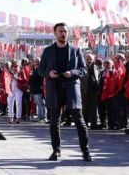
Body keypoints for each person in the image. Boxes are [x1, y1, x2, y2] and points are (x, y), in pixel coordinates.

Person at [38, 22, 91, 162]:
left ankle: (85, 151)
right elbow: (40, 69)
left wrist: (72, 72)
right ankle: (56, 151)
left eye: (66, 31)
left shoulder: (76, 50)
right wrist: (49, 73)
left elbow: (83, 69)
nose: (64, 34)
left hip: (71, 88)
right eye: (61, 31)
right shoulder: (48, 50)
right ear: (55, 33)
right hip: (54, 88)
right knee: (54, 122)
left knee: (79, 121)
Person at [83, 58, 103, 130]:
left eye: (90, 59)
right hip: (84, 90)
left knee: (94, 108)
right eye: (87, 59)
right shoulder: (82, 66)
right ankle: (84, 124)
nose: (89, 60)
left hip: (94, 90)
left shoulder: (97, 67)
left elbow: (99, 78)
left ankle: (93, 124)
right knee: (85, 108)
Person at [29, 59, 47, 123]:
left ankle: (43, 116)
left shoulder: (41, 70)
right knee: (38, 103)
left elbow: (42, 78)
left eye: (37, 63)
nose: (36, 64)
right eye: (35, 63)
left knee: (41, 103)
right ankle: (40, 116)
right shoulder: (34, 70)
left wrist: (41, 85)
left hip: (38, 89)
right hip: (34, 89)